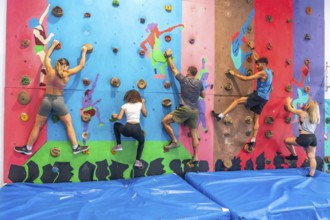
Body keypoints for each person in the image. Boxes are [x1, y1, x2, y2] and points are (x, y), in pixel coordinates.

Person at [14, 39, 89, 155]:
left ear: (57, 64)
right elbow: (81, 65)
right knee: (68, 124)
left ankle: (28, 148)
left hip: (46, 101)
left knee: (37, 126)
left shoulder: (50, 70)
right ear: (66, 66)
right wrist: (84, 51)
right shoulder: (67, 73)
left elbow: (46, 57)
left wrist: (53, 45)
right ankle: (75, 147)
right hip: (59, 101)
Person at [212, 41, 272, 152]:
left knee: (238, 101)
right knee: (256, 118)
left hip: (259, 96)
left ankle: (220, 115)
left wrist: (234, 74)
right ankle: (253, 140)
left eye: (258, 65)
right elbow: (257, 58)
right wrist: (253, 48)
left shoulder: (262, 73)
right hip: (265, 98)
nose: (257, 66)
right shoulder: (269, 71)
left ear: (263, 65)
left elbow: (246, 79)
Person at [162, 49, 205, 166]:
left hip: (185, 109)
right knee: (194, 134)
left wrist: (169, 56)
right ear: (195, 74)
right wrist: (196, 92)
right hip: (195, 111)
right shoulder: (199, 83)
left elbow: (173, 68)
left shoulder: (184, 80)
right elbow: (203, 95)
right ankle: (195, 156)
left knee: (165, 121)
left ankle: (175, 141)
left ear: (188, 72)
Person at [284, 97, 320, 177]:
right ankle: (311, 173)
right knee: (311, 156)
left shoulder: (302, 113)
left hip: (305, 138)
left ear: (308, 106)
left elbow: (290, 109)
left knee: (286, 141)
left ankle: (294, 155)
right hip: (313, 138)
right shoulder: (315, 117)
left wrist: (288, 101)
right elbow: (295, 111)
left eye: (306, 104)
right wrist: (292, 106)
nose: (304, 104)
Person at [111, 89, 147, 168]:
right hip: (137, 129)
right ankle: (137, 161)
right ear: (138, 97)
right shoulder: (140, 104)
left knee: (116, 125)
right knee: (141, 141)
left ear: (127, 97)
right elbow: (145, 114)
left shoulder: (124, 106)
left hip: (127, 129)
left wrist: (115, 116)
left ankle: (119, 145)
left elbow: (119, 118)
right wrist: (143, 103)